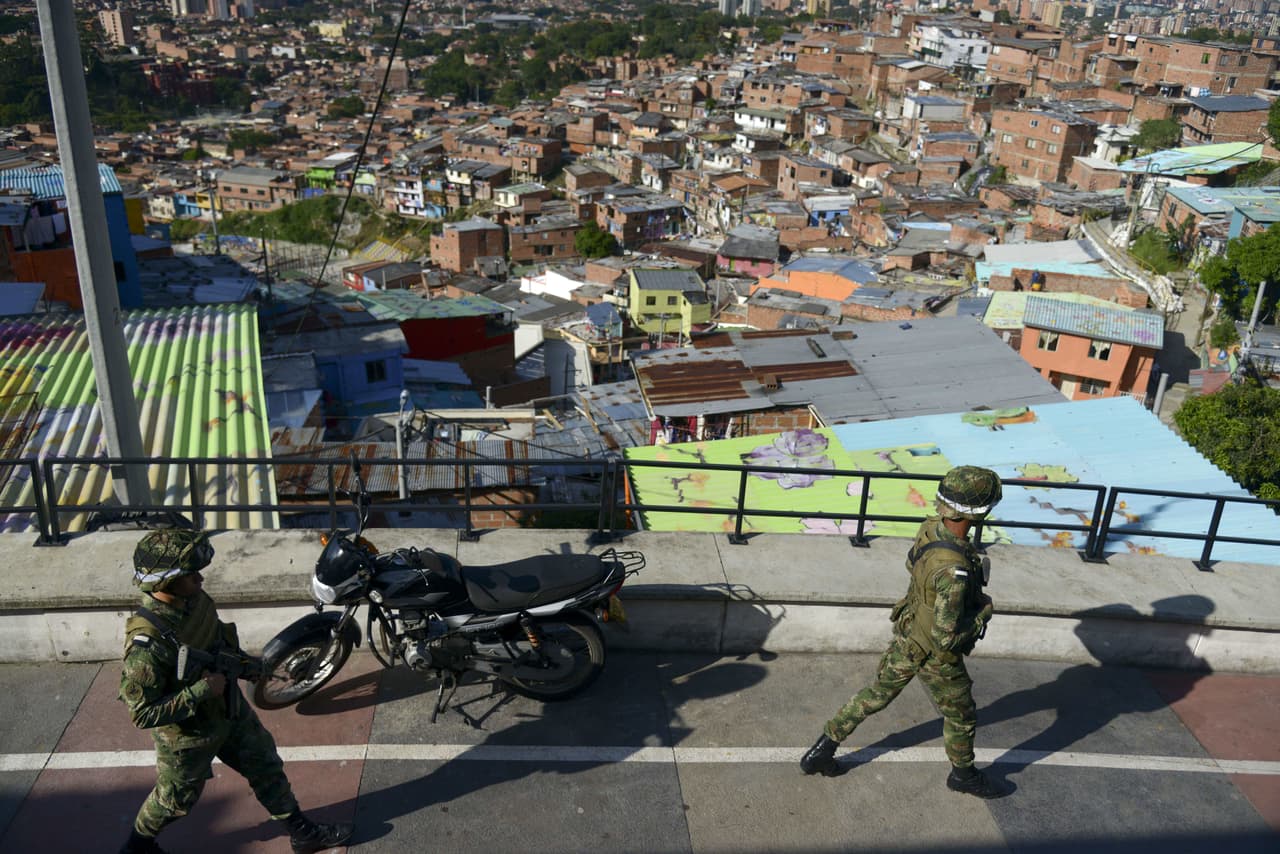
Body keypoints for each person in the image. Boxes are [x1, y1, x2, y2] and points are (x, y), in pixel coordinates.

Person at [118, 529, 354, 854]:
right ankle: (137, 847)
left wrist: (248, 666)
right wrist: (201, 690)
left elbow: (216, 643)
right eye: (190, 574)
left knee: (265, 764)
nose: (200, 579)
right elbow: (143, 713)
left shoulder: (195, 601)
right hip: (188, 737)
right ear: (165, 583)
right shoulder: (147, 646)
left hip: (228, 709)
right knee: (175, 800)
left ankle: (302, 833)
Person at [799, 465, 1008, 799]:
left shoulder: (930, 529)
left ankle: (822, 750)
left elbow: (913, 565)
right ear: (979, 512)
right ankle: (963, 775)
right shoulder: (954, 572)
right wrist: (983, 613)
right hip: (936, 655)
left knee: (874, 695)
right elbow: (946, 638)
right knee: (962, 714)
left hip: (909, 634)